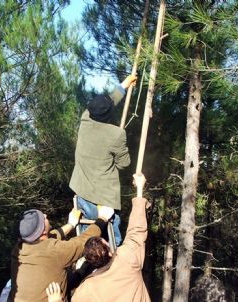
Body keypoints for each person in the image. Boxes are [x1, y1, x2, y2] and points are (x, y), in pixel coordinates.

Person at [69, 74, 137, 246]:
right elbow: (124, 163)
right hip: (103, 199)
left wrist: (125, 84)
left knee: (87, 243)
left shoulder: (86, 118)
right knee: (112, 243)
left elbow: (108, 102)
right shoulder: (117, 134)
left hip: (81, 191)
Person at [8, 205, 114, 302]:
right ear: (43, 232)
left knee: (78, 272)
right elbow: (83, 242)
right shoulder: (54, 251)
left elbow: (47, 237)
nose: (45, 215)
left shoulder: (18, 248)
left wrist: (71, 224)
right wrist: (103, 218)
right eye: (43, 218)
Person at [71, 173, 151, 302]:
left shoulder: (86, 291)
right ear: (109, 250)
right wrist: (139, 189)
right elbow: (137, 230)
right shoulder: (127, 260)